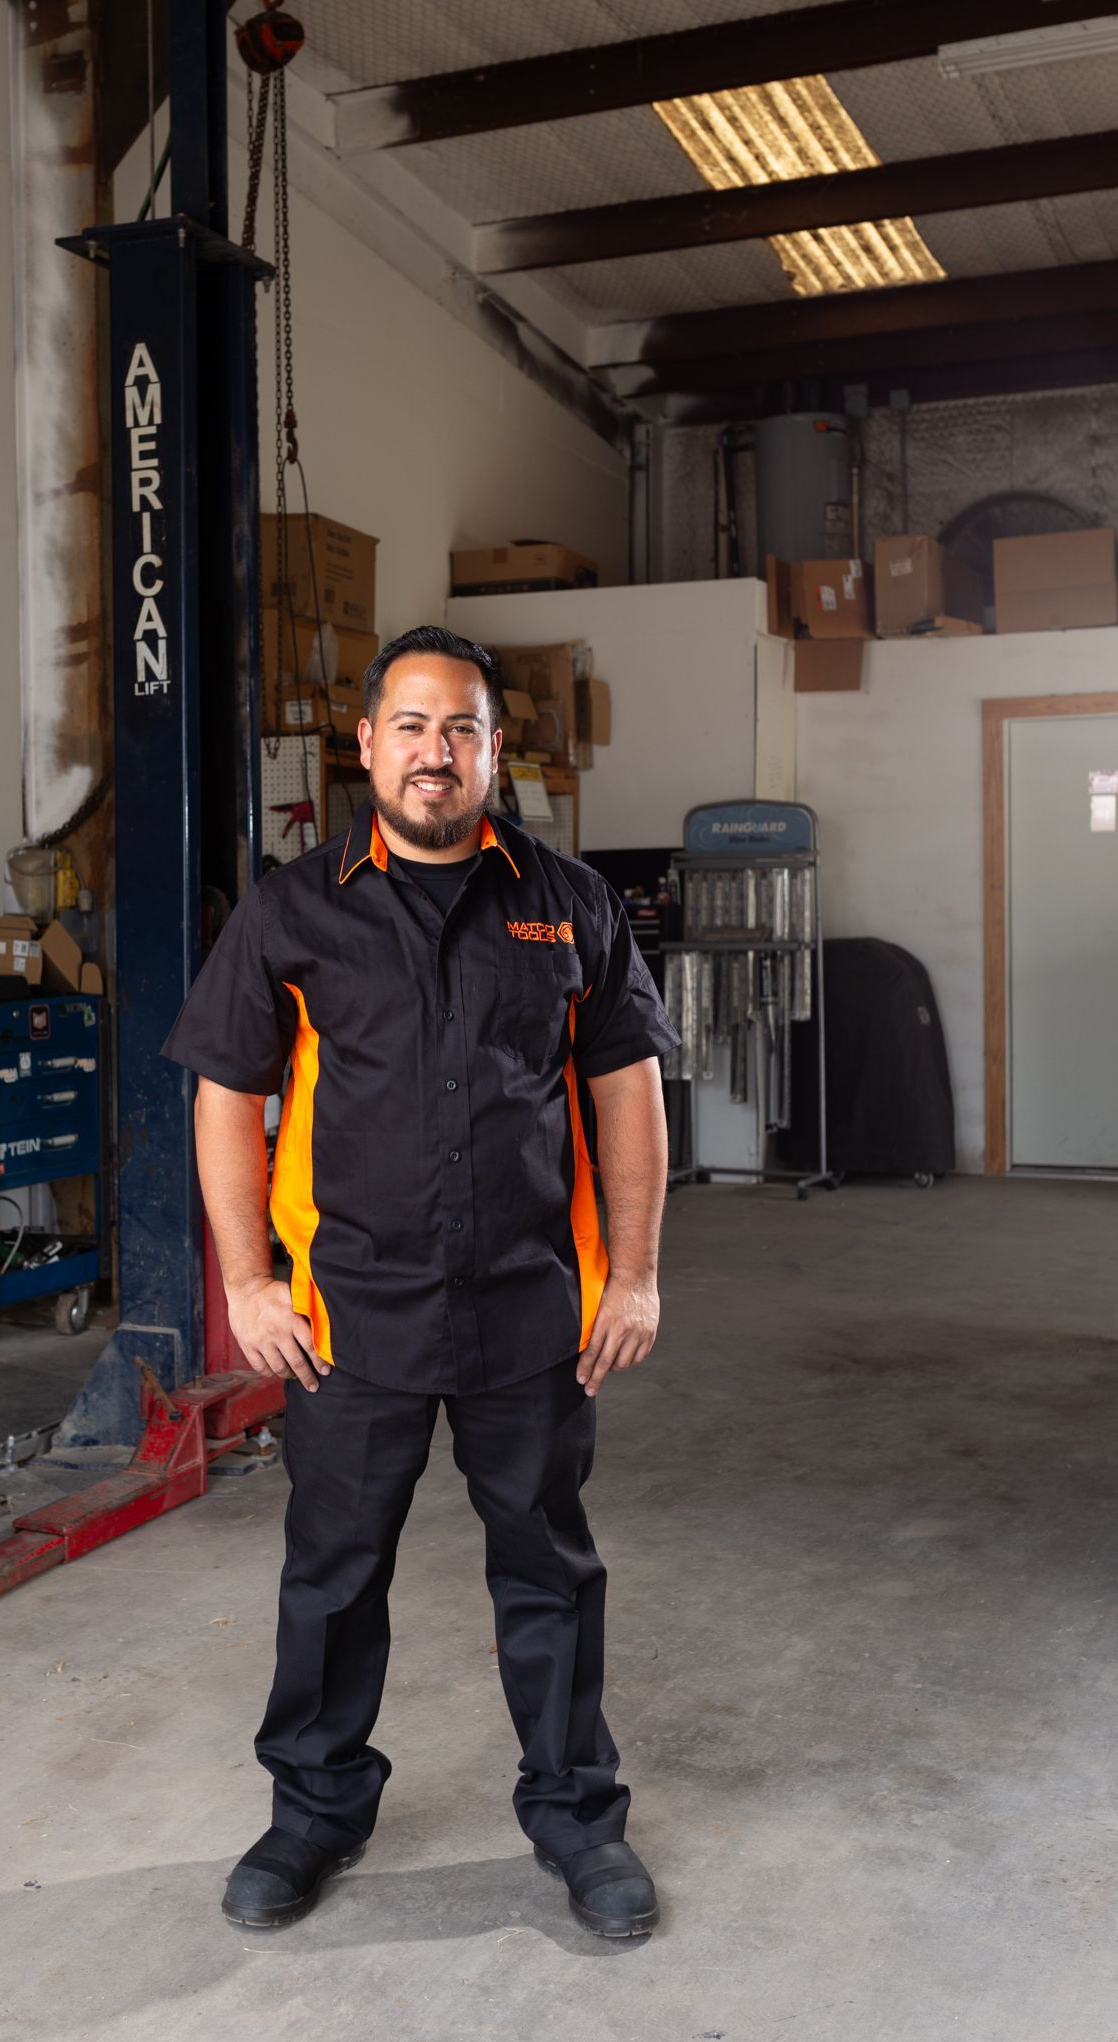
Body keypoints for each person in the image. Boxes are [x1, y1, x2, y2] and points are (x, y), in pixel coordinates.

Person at [162, 624, 678, 1939]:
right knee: (330, 1579)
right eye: (410, 727)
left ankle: (576, 1819)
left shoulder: (569, 900)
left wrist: (633, 1277)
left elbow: (625, 1092)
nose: (434, 753)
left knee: (548, 1573)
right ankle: (313, 1816)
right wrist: (248, 1284)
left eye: (460, 729)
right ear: (366, 745)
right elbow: (227, 1094)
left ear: (496, 751)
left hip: (528, 1315)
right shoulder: (295, 907)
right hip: (351, 1321)